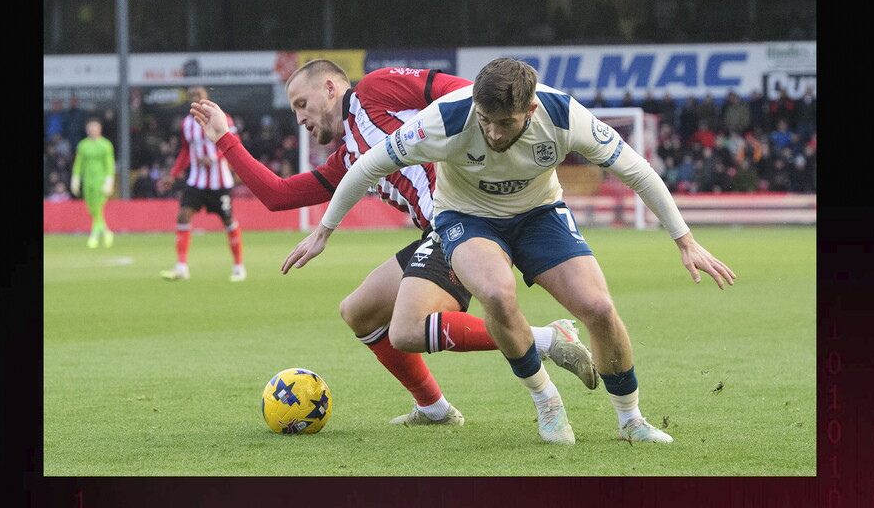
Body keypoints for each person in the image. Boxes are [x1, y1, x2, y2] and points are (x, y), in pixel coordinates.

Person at [282, 58, 736, 445]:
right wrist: (323, 232)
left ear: (530, 109)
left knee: (598, 307)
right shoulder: (446, 119)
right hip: (467, 218)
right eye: (486, 121)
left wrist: (685, 241)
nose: (493, 133)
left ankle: (631, 419)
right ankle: (546, 399)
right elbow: (367, 165)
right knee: (497, 295)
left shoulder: (563, 114)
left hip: (540, 213)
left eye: (505, 123)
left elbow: (636, 170)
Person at [189, 60, 599, 427]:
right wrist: (225, 138)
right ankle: (434, 408)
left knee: (407, 328)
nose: (299, 118)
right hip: (436, 232)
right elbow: (277, 195)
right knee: (359, 312)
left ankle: (546, 339)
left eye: (301, 104)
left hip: (463, 221)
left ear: (330, 88)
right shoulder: (348, 159)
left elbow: (465, 93)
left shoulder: (376, 88)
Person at [160, 86, 246, 282]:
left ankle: (238, 266)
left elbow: (234, 142)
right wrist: (173, 174)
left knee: (228, 221)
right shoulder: (187, 123)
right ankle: (181, 267)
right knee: (183, 216)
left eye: (199, 95)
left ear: (206, 97)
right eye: (192, 96)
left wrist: (213, 158)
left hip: (219, 182)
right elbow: (185, 151)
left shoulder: (222, 117)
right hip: (196, 181)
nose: (196, 98)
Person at [70, 119, 116, 248]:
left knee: (98, 207)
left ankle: (94, 235)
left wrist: (109, 181)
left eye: (94, 128)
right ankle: (106, 232)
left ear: (99, 129)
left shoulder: (106, 145)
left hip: (100, 180)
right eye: (90, 128)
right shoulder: (83, 145)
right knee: (91, 209)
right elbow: (78, 163)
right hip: (87, 180)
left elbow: (109, 164)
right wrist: (75, 178)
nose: (92, 130)